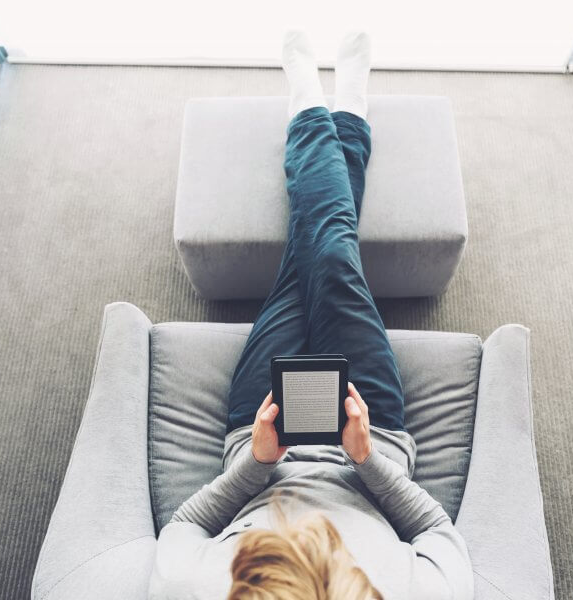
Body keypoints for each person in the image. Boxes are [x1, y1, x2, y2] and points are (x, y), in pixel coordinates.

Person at [148, 31, 473, 600]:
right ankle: (319, 103)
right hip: (372, 433)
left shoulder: (190, 589)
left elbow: (186, 527)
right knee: (331, 255)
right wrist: (365, 458)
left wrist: (257, 462)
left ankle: (328, 105)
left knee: (313, 255)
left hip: (258, 432)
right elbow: (436, 531)